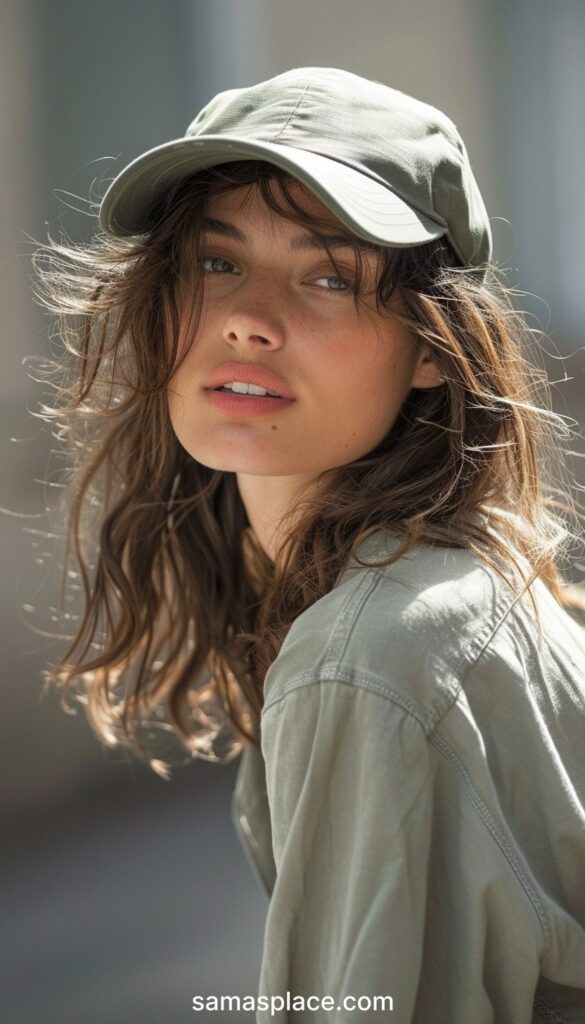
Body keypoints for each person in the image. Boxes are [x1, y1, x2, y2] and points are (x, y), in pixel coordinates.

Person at [33, 67, 585, 1023]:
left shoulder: (376, 653)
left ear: (430, 349)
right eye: (215, 263)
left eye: (329, 275)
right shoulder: (451, 585)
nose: (248, 316)